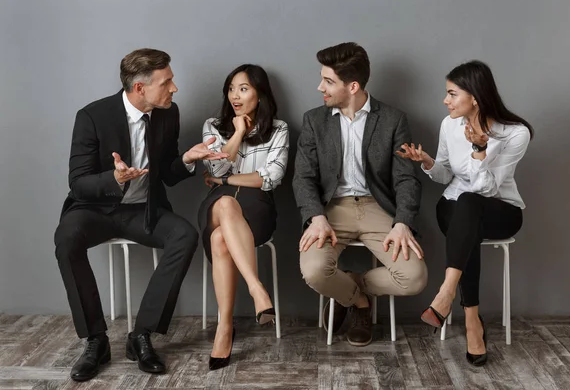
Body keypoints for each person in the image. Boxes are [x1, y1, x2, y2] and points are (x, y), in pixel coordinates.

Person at [54, 48, 227, 382]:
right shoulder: (92, 116)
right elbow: (78, 184)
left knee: (185, 235)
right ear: (139, 88)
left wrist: (189, 159)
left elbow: (168, 174)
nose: (174, 88)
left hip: (143, 210)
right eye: (167, 82)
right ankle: (96, 340)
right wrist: (114, 179)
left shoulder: (168, 114)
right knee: (66, 238)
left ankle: (141, 335)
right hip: (96, 210)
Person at [399, 60, 533, 366]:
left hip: (501, 209)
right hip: (456, 207)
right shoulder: (449, 124)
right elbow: (448, 177)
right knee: (464, 217)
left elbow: (485, 188)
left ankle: (447, 294)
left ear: (474, 96)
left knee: (470, 204)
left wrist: (480, 151)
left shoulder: (515, 134)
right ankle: (472, 321)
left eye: (451, 93)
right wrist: (429, 163)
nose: (445, 101)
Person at [294, 42, 428, 347]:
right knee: (315, 272)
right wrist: (315, 217)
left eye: (328, 81)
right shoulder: (314, 121)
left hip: (377, 208)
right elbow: (303, 177)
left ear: (352, 86)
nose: (320, 87)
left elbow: (406, 178)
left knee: (415, 278)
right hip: (331, 209)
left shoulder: (393, 120)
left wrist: (402, 222)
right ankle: (361, 305)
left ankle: (352, 287)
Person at [198, 64, 289, 370]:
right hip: (215, 205)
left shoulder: (279, 129)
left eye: (244, 88)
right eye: (231, 88)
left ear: (260, 94)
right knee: (223, 206)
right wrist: (237, 133)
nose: (235, 95)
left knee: (220, 236)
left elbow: (271, 178)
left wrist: (226, 182)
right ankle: (256, 288)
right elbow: (216, 168)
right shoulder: (213, 126)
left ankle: (225, 327)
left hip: (257, 209)